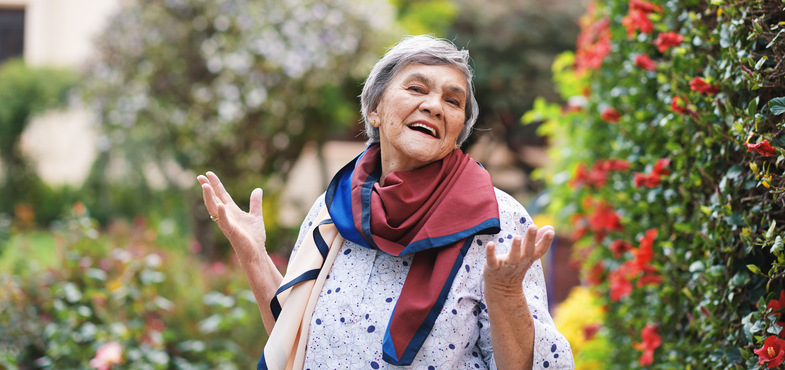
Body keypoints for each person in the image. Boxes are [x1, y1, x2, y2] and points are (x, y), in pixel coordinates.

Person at [198, 35, 573, 369]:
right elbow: (292, 340)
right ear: (375, 110)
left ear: (458, 129)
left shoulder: (495, 220)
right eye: (416, 88)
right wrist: (253, 255)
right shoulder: (335, 207)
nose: (434, 106)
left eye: (452, 100)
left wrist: (505, 294)